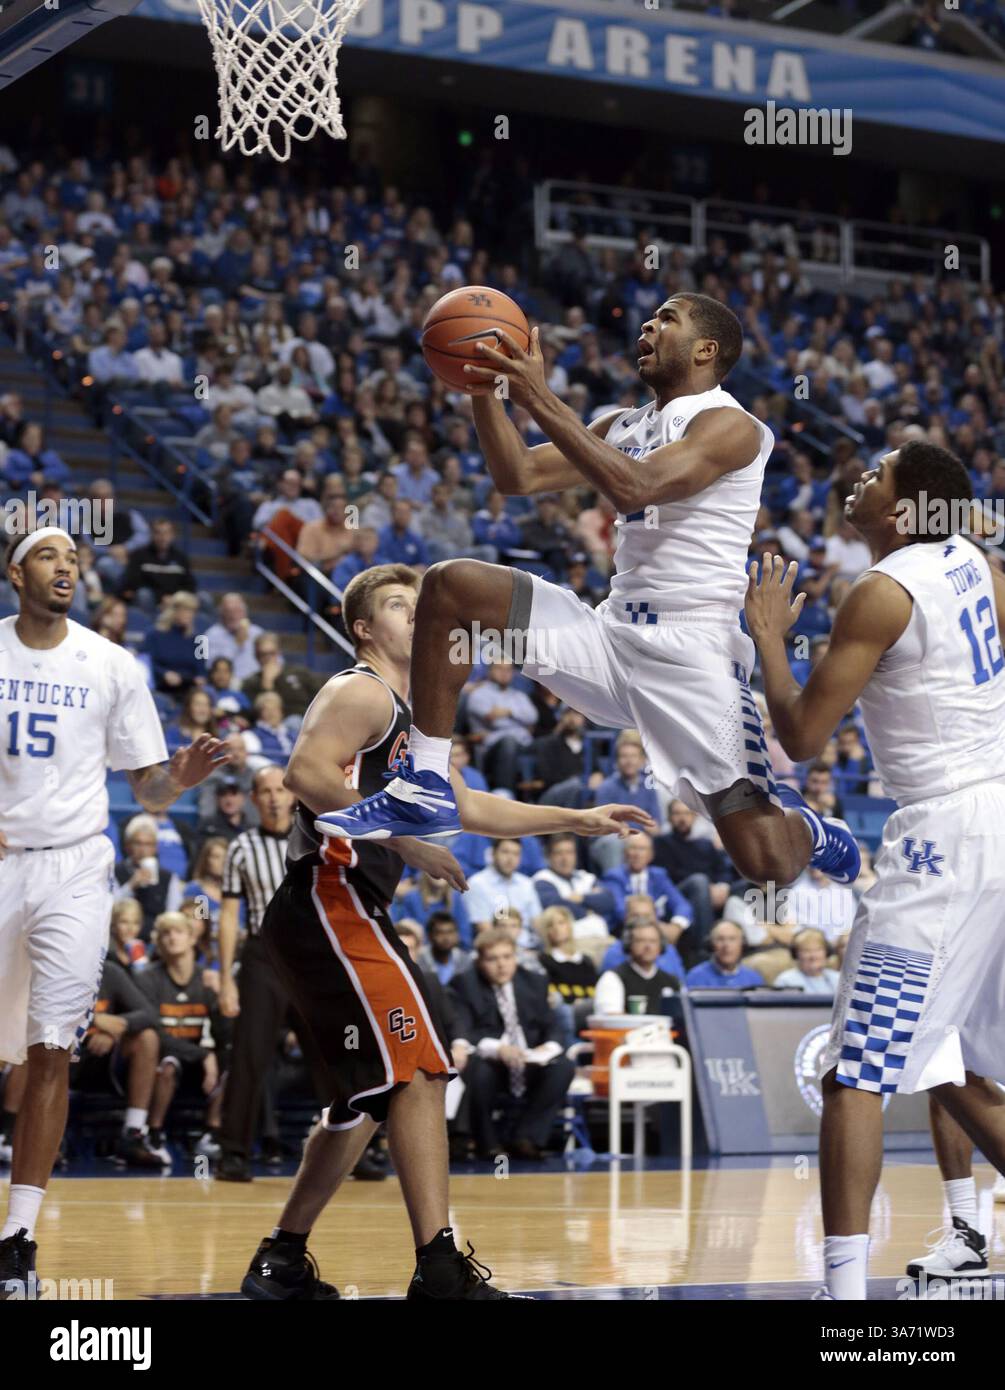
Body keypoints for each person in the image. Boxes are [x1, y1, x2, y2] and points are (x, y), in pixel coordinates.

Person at [322, 293, 859, 913]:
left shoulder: (730, 425)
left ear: (706, 350)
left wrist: (535, 396)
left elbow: (637, 487)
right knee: (450, 585)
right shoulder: (624, 423)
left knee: (768, 865)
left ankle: (814, 831)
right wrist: (483, 389)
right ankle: (424, 779)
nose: (647, 325)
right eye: (650, 315)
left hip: (693, 658)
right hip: (609, 637)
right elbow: (516, 476)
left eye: (667, 319)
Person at [239, 562, 649, 1300]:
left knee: (367, 1099)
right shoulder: (358, 689)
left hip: (342, 908)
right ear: (364, 628)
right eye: (399, 605)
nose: (416, 614)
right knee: (421, 1066)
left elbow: (466, 804)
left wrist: (578, 819)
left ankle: (282, 1259)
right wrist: (405, 842)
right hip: (327, 899)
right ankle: (437, 1266)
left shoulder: (413, 714)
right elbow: (302, 773)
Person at [744, 440, 1005, 1301]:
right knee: (952, 1062)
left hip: (942, 839)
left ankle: (844, 1296)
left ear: (907, 506)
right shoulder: (978, 563)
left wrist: (768, 640)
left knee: (854, 1070)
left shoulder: (882, 591)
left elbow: (800, 737)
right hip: (996, 816)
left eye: (875, 473)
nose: (856, 479)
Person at [0, 526, 227, 1295]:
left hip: (74, 866)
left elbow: (151, 789)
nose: (65, 567)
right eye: (48, 557)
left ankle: (18, 1233)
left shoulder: (111, 664)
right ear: (14, 571)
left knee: (50, 1048)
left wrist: (184, 778)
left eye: (73, 559)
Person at [448, 929, 575, 1160]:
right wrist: (498, 1048)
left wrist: (548, 1048)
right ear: (479, 961)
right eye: (493, 959)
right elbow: (463, 1032)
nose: (501, 965)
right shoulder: (464, 984)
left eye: (507, 957)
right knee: (479, 1070)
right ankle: (488, 1144)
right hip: (493, 1065)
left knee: (563, 1067)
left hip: (529, 1060)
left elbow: (553, 1026)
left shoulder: (535, 982)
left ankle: (526, 1137)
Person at [139, 912, 223, 1161]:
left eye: (178, 932)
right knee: (168, 1065)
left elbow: (224, 1032)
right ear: (158, 941)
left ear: (191, 939)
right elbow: (155, 1033)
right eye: (165, 933)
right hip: (164, 1057)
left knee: (236, 1059)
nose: (171, 938)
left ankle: (212, 1133)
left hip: (197, 1062)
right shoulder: (147, 978)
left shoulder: (207, 979)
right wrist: (205, 1054)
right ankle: (153, 1133)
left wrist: (221, 995)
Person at [594, 920, 681, 1015]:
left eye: (653, 941)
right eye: (641, 941)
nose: (648, 946)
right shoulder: (612, 978)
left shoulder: (672, 981)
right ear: (628, 944)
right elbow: (611, 1019)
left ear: (661, 946)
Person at [466, 837, 543, 943]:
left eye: (516, 854)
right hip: (497, 949)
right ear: (493, 854)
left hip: (530, 948)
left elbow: (538, 923)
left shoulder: (527, 883)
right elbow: (485, 930)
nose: (510, 858)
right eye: (505, 852)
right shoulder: (477, 883)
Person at [684, 920, 765, 990]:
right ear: (711, 944)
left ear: (742, 944)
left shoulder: (754, 979)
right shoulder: (694, 978)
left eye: (732, 939)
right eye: (720, 939)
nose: (726, 945)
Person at [772, 927, 841, 994]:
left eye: (818, 950)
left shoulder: (838, 979)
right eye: (806, 950)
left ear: (827, 952)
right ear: (796, 954)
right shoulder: (785, 981)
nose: (813, 956)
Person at [416, 911, 468, 986]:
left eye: (450, 932)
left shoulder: (465, 961)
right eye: (440, 933)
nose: (446, 938)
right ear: (430, 936)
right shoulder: (419, 962)